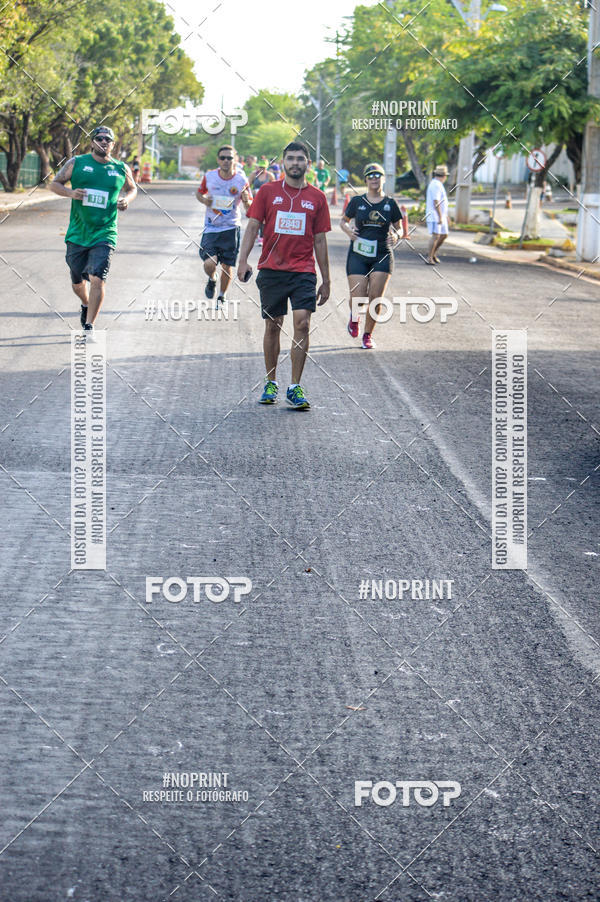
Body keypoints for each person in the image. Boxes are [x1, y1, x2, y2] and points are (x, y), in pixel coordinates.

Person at [237, 140, 331, 410]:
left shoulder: (317, 197)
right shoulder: (268, 192)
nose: (295, 163)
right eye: (290, 158)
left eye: (300, 159)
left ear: (308, 164)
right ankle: (271, 382)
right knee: (273, 325)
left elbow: (320, 240)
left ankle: (295, 386)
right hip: (272, 270)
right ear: (283, 163)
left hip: (303, 271)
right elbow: (253, 226)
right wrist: (242, 261)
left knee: (302, 323)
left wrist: (326, 280)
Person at [49, 125, 137, 340]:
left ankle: (89, 326)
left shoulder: (120, 168)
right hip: (78, 233)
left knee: (98, 278)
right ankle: (85, 302)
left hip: (105, 232)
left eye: (108, 139)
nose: (104, 142)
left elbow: (132, 188)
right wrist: (71, 193)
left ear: (113, 144)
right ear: (92, 142)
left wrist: (126, 200)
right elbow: (54, 184)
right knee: (77, 281)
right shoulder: (77, 163)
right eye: (99, 138)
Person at [341, 162, 403, 350]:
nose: (374, 178)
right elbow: (343, 222)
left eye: (377, 175)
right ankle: (354, 318)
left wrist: (396, 235)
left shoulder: (390, 203)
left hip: (382, 254)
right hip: (358, 254)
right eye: (370, 176)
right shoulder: (357, 201)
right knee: (358, 297)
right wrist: (349, 231)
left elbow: (400, 227)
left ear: (383, 179)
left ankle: (368, 335)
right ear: (366, 180)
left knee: (376, 298)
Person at [196, 145, 252, 306]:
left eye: (229, 158)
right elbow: (199, 193)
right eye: (223, 158)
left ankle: (222, 296)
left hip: (231, 228)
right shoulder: (210, 176)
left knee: (227, 266)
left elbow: (250, 207)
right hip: (211, 227)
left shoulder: (241, 180)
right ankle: (212, 278)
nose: (226, 161)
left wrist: (246, 201)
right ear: (218, 160)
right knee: (209, 263)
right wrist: (204, 200)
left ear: (235, 160)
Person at [425, 164, 449, 265]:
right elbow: (436, 201)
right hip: (435, 215)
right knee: (435, 236)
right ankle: (429, 257)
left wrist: (445, 216)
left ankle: (433, 253)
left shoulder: (438, 184)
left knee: (444, 235)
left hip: (440, 215)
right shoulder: (436, 185)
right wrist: (439, 216)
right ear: (444, 176)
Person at [249, 159, 275, 246]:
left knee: (264, 219)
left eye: (263, 168)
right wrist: (252, 192)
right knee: (256, 218)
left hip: (266, 200)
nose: (261, 169)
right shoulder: (253, 175)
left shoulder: (270, 175)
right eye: (260, 167)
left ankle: (262, 236)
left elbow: (274, 188)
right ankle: (256, 234)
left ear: (266, 167)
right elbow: (247, 187)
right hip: (255, 199)